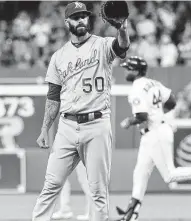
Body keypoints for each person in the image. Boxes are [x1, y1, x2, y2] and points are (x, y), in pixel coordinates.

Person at [32, 2, 130, 221]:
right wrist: (44, 129)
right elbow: (52, 97)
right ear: (67, 22)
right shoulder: (58, 56)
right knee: (51, 185)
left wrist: (122, 28)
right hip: (67, 126)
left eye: (84, 16)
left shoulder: (102, 45)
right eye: (76, 17)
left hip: (96, 124)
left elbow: (122, 48)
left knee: (98, 191)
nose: (81, 21)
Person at [116, 56, 191, 221]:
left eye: (128, 68)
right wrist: (161, 116)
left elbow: (141, 115)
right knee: (140, 172)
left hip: (155, 133)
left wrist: (128, 121)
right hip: (153, 132)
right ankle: (131, 214)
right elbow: (171, 100)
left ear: (135, 70)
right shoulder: (153, 83)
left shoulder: (137, 88)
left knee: (170, 175)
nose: (126, 70)